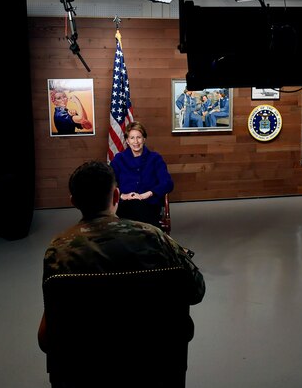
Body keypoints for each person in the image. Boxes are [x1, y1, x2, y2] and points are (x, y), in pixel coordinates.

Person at [37, 160, 205, 351]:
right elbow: (196, 291)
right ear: (116, 195)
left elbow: (47, 335)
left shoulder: (58, 250)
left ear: (73, 201)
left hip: (84, 360)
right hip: (153, 355)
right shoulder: (154, 237)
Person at [110, 121, 174, 228]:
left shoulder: (155, 158)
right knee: (133, 207)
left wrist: (147, 194)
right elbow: (108, 183)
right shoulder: (119, 159)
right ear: (127, 141)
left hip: (149, 203)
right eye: (132, 138)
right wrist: (123, 196)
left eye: (139, 137)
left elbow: (167, 183)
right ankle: (152, 236)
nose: (136, 141)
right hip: (124, 204)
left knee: (138, 209)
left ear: (144, 139)